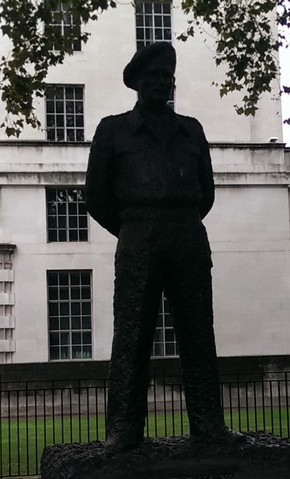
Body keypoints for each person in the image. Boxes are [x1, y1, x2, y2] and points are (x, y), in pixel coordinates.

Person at [85, 42, 237, 450]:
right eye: (151, 78)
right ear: (136, 84)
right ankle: (124, 429)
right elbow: (95, 197)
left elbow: (206, 192)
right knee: (132, 335)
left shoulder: (192, 129)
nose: (160, 84)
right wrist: (134, 228)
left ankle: (209, 426)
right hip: (138, 235)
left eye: (166, 78)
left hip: (187, 233)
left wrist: (176, 219)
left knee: (198, 333)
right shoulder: (112, 129)